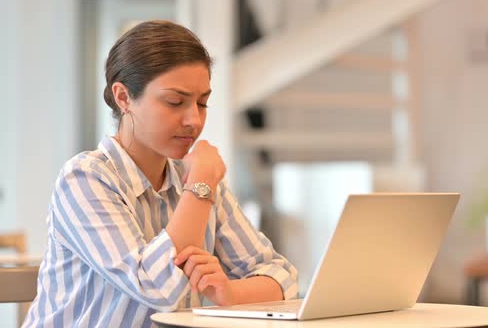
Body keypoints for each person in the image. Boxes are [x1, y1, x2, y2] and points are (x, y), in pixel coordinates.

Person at [23, 20, 298, 327]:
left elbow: (281, 276)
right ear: (124, 97)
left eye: (203, 102)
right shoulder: (84, 179)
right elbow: (156, 288)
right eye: (175, 102)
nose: (194, 119)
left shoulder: (197, 179)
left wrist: (228, 292)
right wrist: (200, 186)